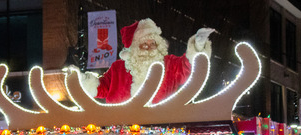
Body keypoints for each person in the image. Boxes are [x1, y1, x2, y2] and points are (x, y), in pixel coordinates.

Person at [79, 18, 214, 104]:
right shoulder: (118, 68)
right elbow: (101, 87)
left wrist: (198, 46)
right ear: (135, 47)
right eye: (144, 44)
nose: (149, 48)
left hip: (160, 127)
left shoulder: (169, 64)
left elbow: (188, 67)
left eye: (153, 44)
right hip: (122, 130)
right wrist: (84, 81)